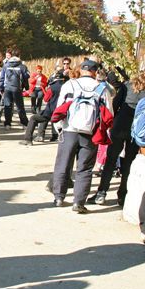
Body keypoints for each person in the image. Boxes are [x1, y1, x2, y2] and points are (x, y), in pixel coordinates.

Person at [88, 64, 145, 206]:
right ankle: (122, 194)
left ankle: (101, 192)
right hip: (138, 130)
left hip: (120, 125)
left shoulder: (128, 85)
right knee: (128, 162)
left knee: (110, 160)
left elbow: (115, 105)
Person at [50, 59, 114, 213]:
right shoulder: (101, 88)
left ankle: (59, 197)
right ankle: (78, 202)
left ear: (82, 70)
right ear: (95, 71)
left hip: (69, 129)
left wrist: (59, 128)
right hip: (90, 133)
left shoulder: (70, 84)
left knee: (63, 164)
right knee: (85, 168)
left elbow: (59, 107)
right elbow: (109, 114)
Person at [19, 69, 68, 146]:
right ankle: (42, 136)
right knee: (43, 114)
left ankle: (28, 139)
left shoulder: (52, 87)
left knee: (34, 118)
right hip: (63, 111)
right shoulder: (68, 86)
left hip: (51, 110)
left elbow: (46, 99)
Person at [0, 48, 29, 128]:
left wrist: (1, 88)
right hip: (17, 88)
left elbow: (2, 78)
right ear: (19, 55)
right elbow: (26, 76)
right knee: (20, 107)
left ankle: (7, 124)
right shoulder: (22, 66)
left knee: (7, 106)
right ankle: (24, 123)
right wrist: (26, 87)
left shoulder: (6, 65)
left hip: (7, 88)